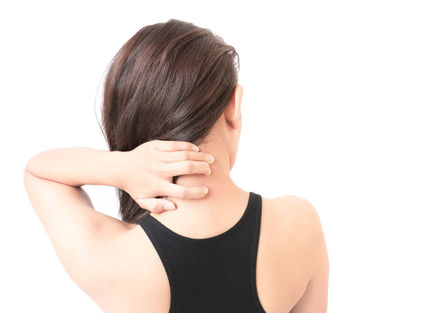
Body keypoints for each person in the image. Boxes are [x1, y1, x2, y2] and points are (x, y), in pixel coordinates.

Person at [23, 19, 329, 312]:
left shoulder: (114, 259)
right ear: (234, 105)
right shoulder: (299, 225)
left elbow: (39, 172)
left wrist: (120, 166)